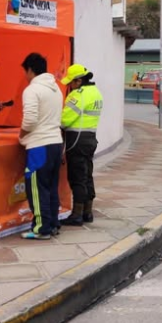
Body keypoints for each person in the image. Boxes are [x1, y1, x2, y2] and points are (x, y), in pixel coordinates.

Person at [19, 53, 64, 240]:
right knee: (51, 187)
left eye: (25, 72)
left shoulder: (32, 90)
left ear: (30, 70)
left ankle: (41, 229)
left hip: (39, 146)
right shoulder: (56, 89)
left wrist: (21, 134)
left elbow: (30, 120)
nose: (25, 76)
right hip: (56, 144)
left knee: (37, 189)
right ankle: (52, 224)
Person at [59, 64, 103, 226]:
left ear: (78, 81)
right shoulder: (96, 92)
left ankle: (76, 214)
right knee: (87, 175)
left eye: (71, 82)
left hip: (77, 139)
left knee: (77, 176)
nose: (70, 86)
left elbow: (64, 120)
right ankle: (87, 212)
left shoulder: (78, 95)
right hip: (90, 138)